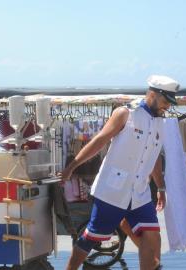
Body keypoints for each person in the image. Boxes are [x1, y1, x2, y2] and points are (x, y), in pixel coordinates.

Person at [61, 75, 178, 270]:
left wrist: (161, 187)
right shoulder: (126, 113)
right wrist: (71, 166)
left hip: (140, 194)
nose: (167, 107)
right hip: (112, 191)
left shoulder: (160, 123)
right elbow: (99, 141)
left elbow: (154, 157)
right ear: (152, 94)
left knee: (152, 237)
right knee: (92, 238)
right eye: (165, 101)